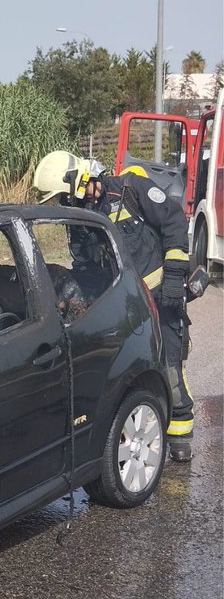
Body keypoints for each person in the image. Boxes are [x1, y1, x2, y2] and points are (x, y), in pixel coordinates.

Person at [33, 151, 194, 462]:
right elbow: (86, 267)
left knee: (170, 366)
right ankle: (143, 428)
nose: (64, 204)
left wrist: (175, 277)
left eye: (64, 196)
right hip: (126, 306)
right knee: (130, 369)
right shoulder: (79, 220)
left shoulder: (131, 189)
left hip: (162, 297)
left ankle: (180, 434)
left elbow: (174, 223)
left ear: (79, 181)